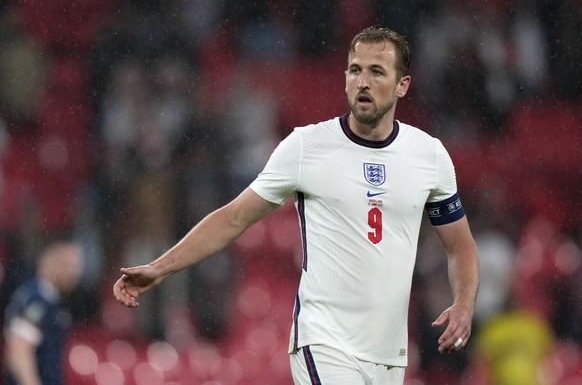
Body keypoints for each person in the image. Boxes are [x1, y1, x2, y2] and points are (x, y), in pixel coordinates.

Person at [113, 26, 480, 384]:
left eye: (377, 72)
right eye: (355, 70)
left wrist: (463, 302)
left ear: (403, 85)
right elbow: (233, 218)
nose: (362, 82)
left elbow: (460, 245)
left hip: (388, 354)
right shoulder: (307, 147)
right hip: (324, 344)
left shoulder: (428, 156)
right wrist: (161, 268)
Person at [4, 239, 83, 385]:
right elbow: (20, 351)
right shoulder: (36, 300)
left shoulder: (52, 301)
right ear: (48, 261)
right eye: (66, 264)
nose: (73, 272)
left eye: (76, 266)